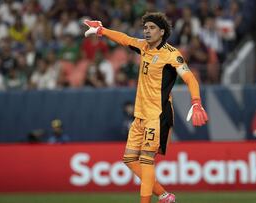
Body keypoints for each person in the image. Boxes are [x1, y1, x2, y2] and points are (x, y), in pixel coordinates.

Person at [84, 12, 208, 203]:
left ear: (162, 31)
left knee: (146, 160)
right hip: (140, 114)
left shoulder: (171, 54)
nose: (147, 31)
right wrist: (102, 30)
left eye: (151, 28)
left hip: (157, 115)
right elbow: (124, 39)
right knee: (129, 159)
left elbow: (190, 78)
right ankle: (165, 196)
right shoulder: (143, 46)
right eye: (145, 28)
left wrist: (196, 102)